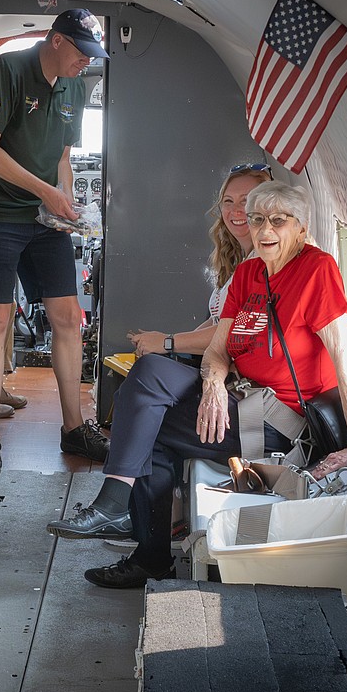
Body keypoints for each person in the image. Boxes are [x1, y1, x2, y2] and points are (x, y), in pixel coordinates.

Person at [61, 181, 347, 589]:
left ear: (302, 227)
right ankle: (120, 511)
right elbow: (218, 351)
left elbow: (346, 357)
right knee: (150, 371)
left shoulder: (316, 270)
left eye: (278, 221)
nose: (264, 230)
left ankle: (137, 537)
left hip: (278, 418)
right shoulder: (248, 272)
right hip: (237, 395)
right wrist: (213, 387)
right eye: (258, 219)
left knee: (147, 428)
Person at [48, 163, 272, 539]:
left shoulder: (265, 263)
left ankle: (116, 508)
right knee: (143, 403)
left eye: (247, 202)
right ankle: (142, 541)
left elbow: (230, 333)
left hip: (254, 405)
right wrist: (168, 341)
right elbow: (216, 325)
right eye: (228, 201)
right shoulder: (241, 263)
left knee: (150, 380)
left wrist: (166, 342)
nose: (236, 211)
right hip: (232, 387)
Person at [0, 8, 111, 475]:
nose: (86, 62)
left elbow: (63, 156)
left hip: (44, 218)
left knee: (67, 315)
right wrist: (44, 190)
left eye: (93, 55)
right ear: (56, 40)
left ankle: (73, 427)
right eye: (82, 52)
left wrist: (64, 201)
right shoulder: (7, 70)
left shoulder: (75, 86)